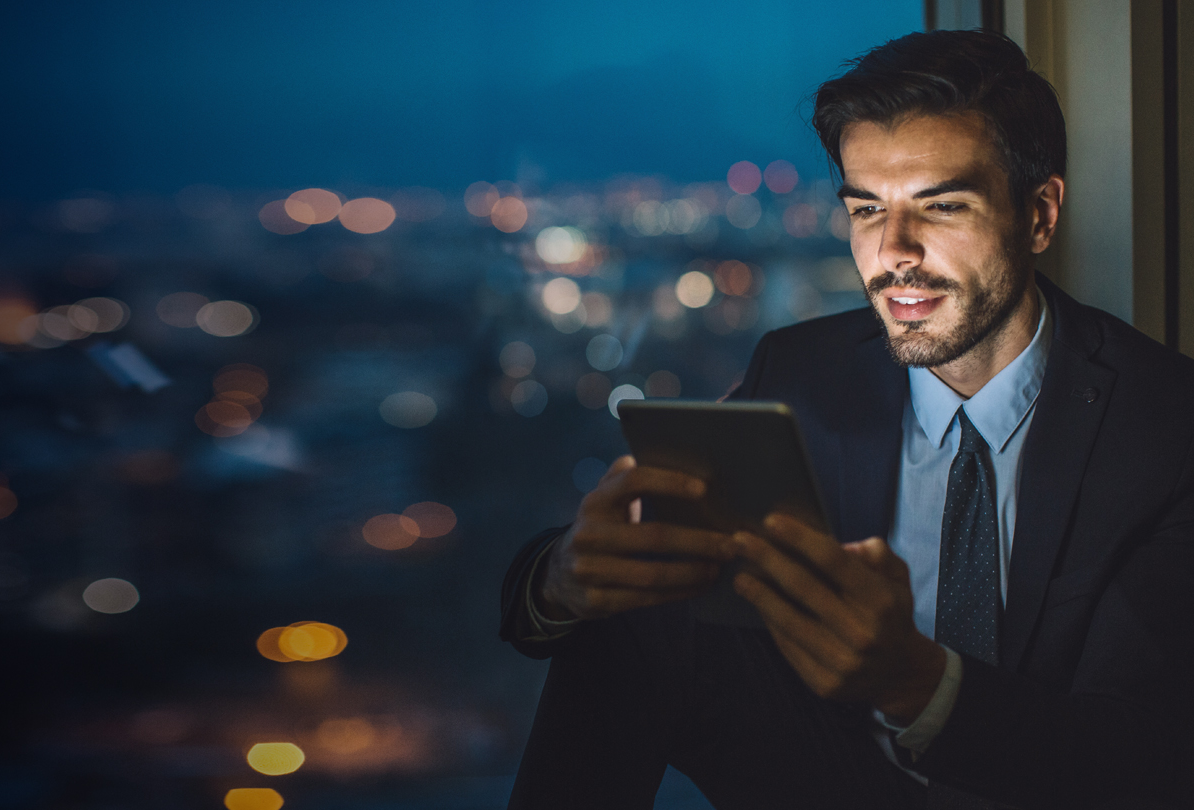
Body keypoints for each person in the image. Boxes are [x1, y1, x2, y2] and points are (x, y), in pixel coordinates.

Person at [500, 29, 1194, 810]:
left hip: (1043, 782)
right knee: (636, 587)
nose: (893, 251)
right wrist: (563, 580)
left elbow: (1145, 759)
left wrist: (916, 683)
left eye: (943, 206)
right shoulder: (800, 369)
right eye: (867, 208)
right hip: (835, 778)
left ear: (1038, 216)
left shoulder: (1168, 424)